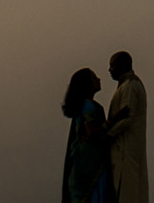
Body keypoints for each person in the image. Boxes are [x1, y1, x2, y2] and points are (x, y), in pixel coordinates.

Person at [60, 66, 113, 203]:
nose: (99, 80)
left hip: (82, 168)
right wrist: (114, 120)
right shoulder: (89, 106)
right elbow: (91, 133)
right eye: (94, 78)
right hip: (91, 168)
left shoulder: (83, 106)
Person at [105, 50, 148, 203]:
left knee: (128, 192)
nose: (109, 70)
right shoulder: (127, 85)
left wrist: (106, 134)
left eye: (112, 66)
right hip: (125, 150)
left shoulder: (130, 86)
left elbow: (127, 118)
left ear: (122, 65)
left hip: (126, 150)